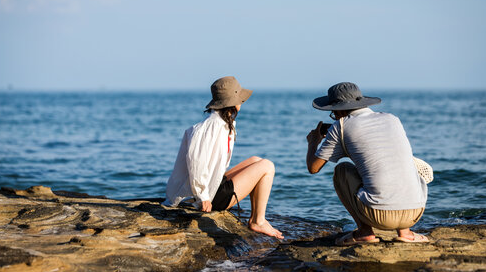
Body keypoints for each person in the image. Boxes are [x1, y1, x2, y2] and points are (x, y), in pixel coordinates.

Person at [306, 82, 428, 245]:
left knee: (342, 169)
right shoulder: (392, 119)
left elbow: (313, 168)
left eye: (333, 113)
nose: (334, 117)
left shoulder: (340, 126)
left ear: (340, 109)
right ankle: (405, 233)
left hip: (379, 216)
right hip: (415, 214)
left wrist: (313, 142)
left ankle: (365, 232)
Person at [164, 76, 283, 239]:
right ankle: (258, 221)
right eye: (239, 98)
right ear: (232, 102)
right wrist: (203, 197)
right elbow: (196, 163)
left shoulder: (223, 123)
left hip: (210, 187)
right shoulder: (209, 128)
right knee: (267, 166)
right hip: (203, 196)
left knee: (256, 160)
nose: (242, 101)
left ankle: (257, 217)